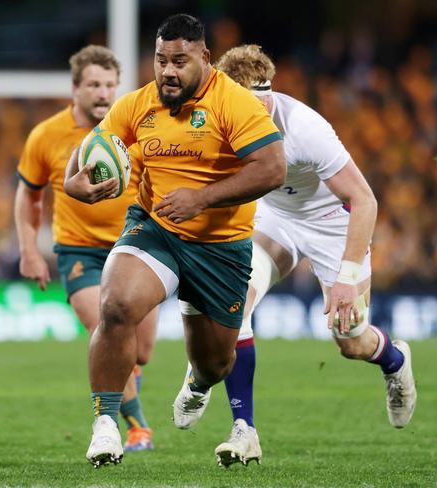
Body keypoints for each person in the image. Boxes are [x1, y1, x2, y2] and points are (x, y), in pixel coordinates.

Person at [64, 14, 286, 468]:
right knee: (116, 305)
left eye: (179, 61)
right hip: (156, 228)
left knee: (215, 364)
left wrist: (202, 198)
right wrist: (75, 186)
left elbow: (271, 169)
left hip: (220, 245)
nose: (167, 71)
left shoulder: (235, 103)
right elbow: (90, 149)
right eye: (161, 60)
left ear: (204, 57)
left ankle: (198, 383)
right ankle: (106, 424)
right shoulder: (138, 103)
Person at [183, 45, 418, 467]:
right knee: (234, 303)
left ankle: (395, 361)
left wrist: (346, 279)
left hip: (331, 224)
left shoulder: (305, 128)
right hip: (274, 217)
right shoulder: (215, 118)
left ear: (268, 95)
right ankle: (243, 427)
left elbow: (364, 201)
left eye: (257, 104)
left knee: (351, 340)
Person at [14, 45, 157, 453]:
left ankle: (126, 378)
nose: (103, 93)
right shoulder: (47, 135)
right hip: (81, 253)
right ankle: (137, 427)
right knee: (107, 329)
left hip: (136, 247)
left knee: (140, 351)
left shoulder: (133, 129)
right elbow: (29, 196)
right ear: (75, 88)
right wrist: (29, 250)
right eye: (94, 84)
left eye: (110, 85)